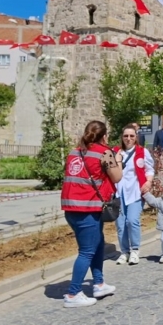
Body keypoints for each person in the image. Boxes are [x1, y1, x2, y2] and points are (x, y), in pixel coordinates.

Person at [60, 121, 122, 308]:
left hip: (72, 207)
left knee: (98, 244)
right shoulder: (104, 152)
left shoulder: (74, 152)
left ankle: (99, 283)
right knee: (86, 251)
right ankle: (73, 293)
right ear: (104, 136)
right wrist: (118, 159)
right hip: (87, 208)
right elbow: (117, 177)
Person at [113, 124, 155, 266]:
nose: (128, 139)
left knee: (132, 221)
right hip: (119, 192)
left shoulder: (142, 152)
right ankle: (124, 252)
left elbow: (150, 169)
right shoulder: (116, 152)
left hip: (136, 192)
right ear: (122, 137)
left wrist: (148, 182)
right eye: (126, 136)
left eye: (131, 136)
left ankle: (135, 250)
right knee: (120, 224)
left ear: (136, 137)